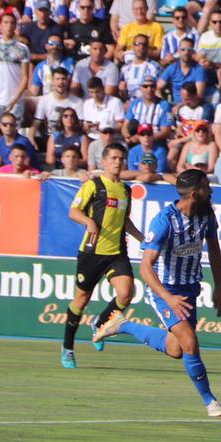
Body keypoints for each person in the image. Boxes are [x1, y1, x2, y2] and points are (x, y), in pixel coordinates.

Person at [92, 168, 221, 417]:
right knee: (189, 342)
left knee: (176, 349)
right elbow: (145, 266)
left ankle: (123, 325)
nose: (212, 191)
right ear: (196, 194)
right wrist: (167, 297)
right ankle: (211, 402)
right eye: (207, 187)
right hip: (165, 290)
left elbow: (215, 250)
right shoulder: (165, 220)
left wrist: (219, 287)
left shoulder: (206, 215)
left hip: (189, 290)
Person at [58, 143, 143, 369]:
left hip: (117, 252)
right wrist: (88, 222)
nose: (117, 162)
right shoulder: (93, 186)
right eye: (113, 158)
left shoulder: (126, 190)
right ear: (104, 162)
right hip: (92, 252)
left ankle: (100, 321)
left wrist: (143, 239)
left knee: (126, 294)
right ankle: (67, 347)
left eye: (121, 159)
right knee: (81, 300)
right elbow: (73, 211)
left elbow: (125, 221)